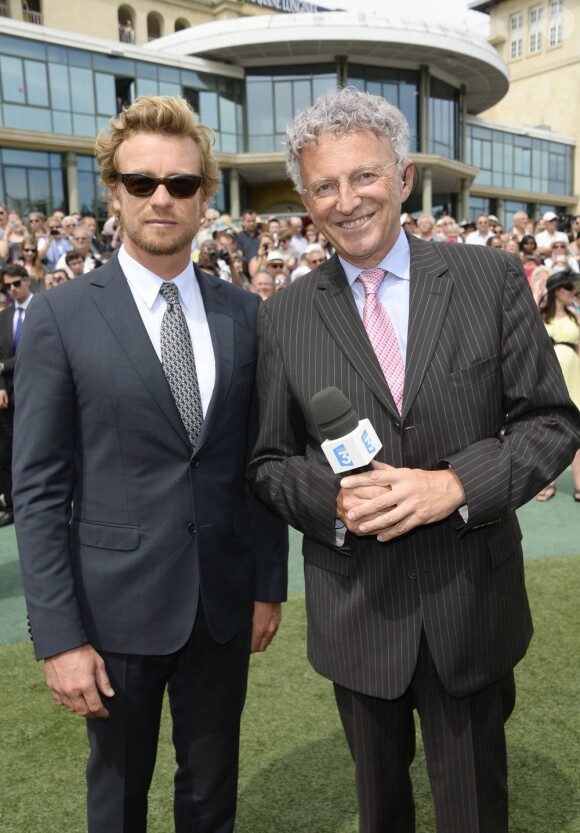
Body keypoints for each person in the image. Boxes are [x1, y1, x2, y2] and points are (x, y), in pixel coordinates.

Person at [247, 87, 580, 833]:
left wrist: (456, 484)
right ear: (306, 201)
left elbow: (552, 423)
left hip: (472, 603)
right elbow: (268, 460)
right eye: (324, 185)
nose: (347, 199)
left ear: (402, 178)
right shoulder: (284, 313)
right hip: (358, 613)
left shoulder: (488, 279)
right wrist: (331, 501)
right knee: (380, 812)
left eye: (364, 176)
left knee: (473, 812)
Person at [13, 95, 287, 833]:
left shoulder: (246, 314)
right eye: (141, 183)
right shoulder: (59, 317)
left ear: (206, 197)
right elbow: (38, 492)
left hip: (222, 607)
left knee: (211, 794)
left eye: (181, 183)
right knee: (118, 797)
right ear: (113, 192)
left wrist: (267, 581)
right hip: (111, 615)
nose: (161, 197)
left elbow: (258, 460)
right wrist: (60, 636)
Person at [535, 269, 580, 502]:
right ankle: (548, 481)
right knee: (551, 426)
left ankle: (579, 485)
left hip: (575, 372)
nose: (573, 292)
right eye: (568, 288)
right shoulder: (540, 315)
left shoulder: (575, 314)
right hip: (550, 373)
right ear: (556, 291)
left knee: (578, 426)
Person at [0, 264, 33, 527]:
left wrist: (4, 367)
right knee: (7, 452)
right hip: (9, 397)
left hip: (39, 391)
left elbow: (35, 352)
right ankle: (13, 505)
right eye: (8, 286)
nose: (12, 290)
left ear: (27, 280)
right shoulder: (4, 315)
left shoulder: (45, 307)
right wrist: (0, 385)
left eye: (16, 284)